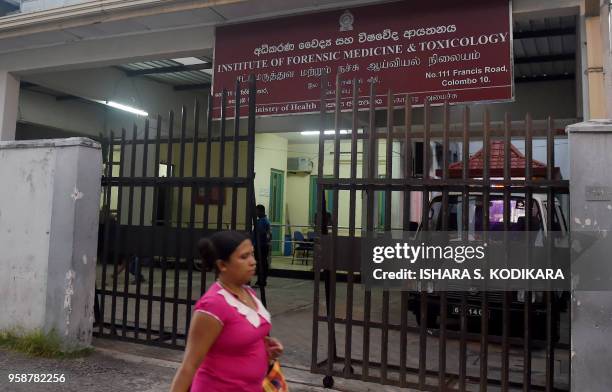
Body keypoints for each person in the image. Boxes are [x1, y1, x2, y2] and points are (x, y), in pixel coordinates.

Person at [170, 231, 284, 392]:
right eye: (244, 257)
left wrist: (267, 348)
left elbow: (241, 337)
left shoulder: (248, 293)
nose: (252, 262)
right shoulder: (212, 306)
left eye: (252, 254)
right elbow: (189, 366)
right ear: (222, 265)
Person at [253, 204, 271, 288]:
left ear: (261, 211)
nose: (256, 213)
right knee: (260, 263)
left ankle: (262, 281)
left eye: (257, 211)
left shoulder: (264, 221)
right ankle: (261, 280)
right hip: (259, 245)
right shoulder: (260, 220)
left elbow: (265, 234)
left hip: (262, 245)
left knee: (262, 263)